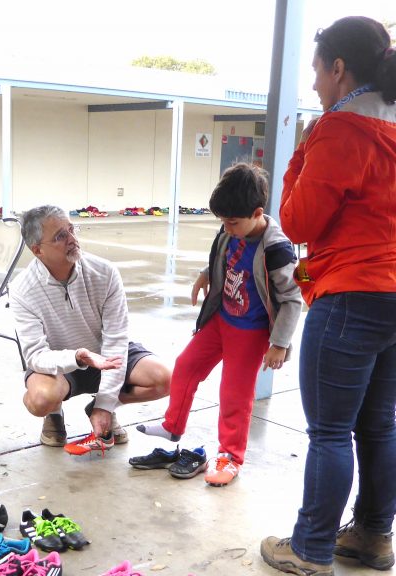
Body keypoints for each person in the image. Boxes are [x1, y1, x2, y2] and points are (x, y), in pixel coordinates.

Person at [261, 17, 396, 576]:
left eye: (317, 71)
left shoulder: (341, 130)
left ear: (339, 68)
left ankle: (311, 548)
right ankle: (373, 537)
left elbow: (297, 221)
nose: (314, 84)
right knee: (380, 424)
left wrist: (301, 151)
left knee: (331, 432)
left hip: (350, 295)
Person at [138, 163, 302, 486]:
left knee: (234, 395)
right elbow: (221, 256)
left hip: (250, 333)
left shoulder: (277, 249)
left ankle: (230, 456)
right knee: (186, 365)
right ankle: (172, 426)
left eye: (232, 222)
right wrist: (205, 274)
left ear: (257, 213)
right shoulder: (231, 230)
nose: (226, 228)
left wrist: (279, 343)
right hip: (221, 319)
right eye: (223, 221)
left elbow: (293, 298)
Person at [9, 205, 171, 454]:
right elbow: (35, 355)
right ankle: (54, 412)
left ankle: (101, 408)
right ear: (37, 250)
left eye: (71, 229)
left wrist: (105, 404)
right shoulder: (22, 289)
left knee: (165, 380)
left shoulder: (104, 272)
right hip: (61, 367)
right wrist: (76, 357)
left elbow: (116, 339)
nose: (72, 239)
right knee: (40, 399)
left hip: (107, 357)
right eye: (60, 236)